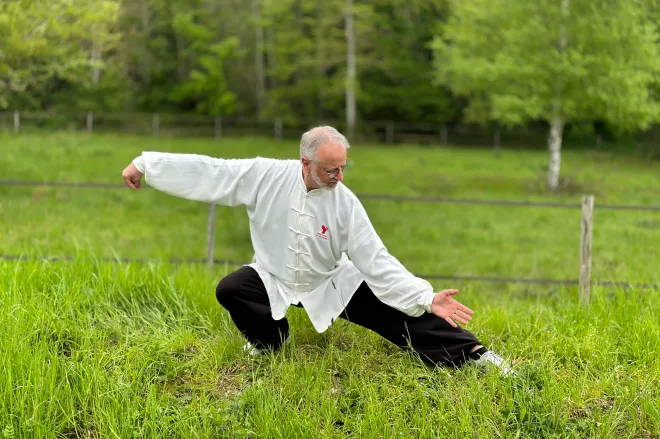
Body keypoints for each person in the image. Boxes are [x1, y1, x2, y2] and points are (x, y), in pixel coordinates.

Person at [121, 126, 512, 374]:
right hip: (274, 276)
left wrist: (426, 297)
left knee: (400, 317)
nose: (339, 177)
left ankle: (475, 355)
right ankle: (270, 343)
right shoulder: (263, 175)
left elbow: (375, 260)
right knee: (231, 288)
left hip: (330, 282)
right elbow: (212, 171)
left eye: (343, 168)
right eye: (330, 170)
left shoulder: (345, 202)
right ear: (305, 162)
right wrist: (146, 164)